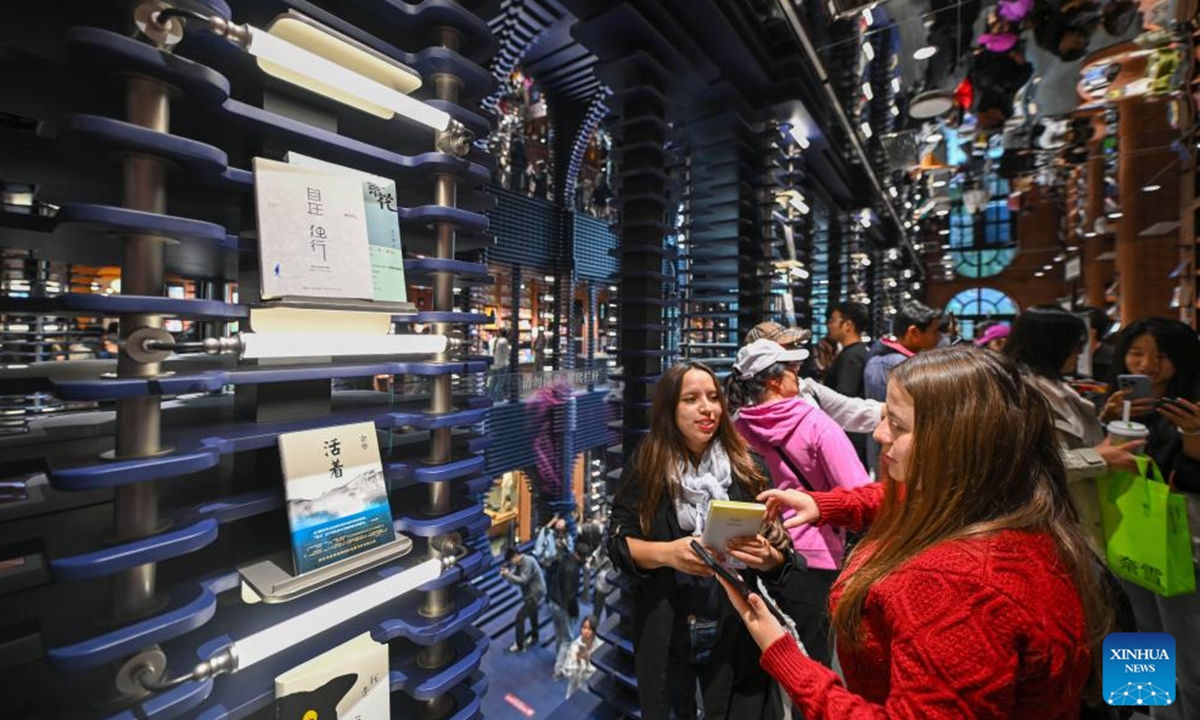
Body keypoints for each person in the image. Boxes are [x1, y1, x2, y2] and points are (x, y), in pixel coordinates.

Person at [720, 346, 1116, 719]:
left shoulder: (951, 585)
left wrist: (784, 656)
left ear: (953, 442)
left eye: (897, 423)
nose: (878, 435)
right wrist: (828, 504)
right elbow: (913, 493)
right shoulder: (1007, 504)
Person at [607, 360, 808, 720]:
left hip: (736, 627)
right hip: (668, 629)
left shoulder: (747, 466)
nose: (707, 408)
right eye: (691, 399)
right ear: (669, 409)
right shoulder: (648, 465)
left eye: (713, 397)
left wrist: (768, 557)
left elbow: (784, 557)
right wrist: (668, 554)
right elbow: (618, 544)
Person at [725, 339, 873, 664]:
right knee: (812, 661)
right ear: (774, 381)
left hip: (756, 554)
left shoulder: (736, 429)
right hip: (816, 558)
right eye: (792, 369)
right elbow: (858, 492)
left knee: (766, 662)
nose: (799, 375)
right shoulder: (815, 423)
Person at [1099, 317, 1200, 720]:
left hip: (1183, 546)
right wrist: (1106, 418)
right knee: (1138, 636)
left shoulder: (1192, 405)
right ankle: (1146, 713)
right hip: (1128, 535)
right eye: (1137, 353)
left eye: (1161, 356)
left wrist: (1194, 436)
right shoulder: (1120, 403)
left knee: (1189, 655)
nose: (1147, 365)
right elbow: (1106, 462)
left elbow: (1190, 480)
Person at [1004, 306, 1141, 552]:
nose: (1080, 351)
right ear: (1051, 345)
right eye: (1075, 343)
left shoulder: (1054, 384)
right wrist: (1096, 457)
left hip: (1083, 516)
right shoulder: (1016, 392)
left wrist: (1104, 417)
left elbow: (1070, 437)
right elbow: (1021, 465)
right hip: (1052, 523)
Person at [746, 320, 883, 436]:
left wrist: (894, 409)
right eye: (787, 346)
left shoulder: (806, 388)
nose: (794, 350)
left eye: (795, 344)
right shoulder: (744, 406)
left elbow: (851, 410)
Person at [863, 302, 942, 469]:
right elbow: (890, 416)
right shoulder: (892, 364)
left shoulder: (892, 360)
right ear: (913, 332)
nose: (939, 338)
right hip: (895, 454)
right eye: (934, 331)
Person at [823, 302, 871, 465]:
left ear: (848, 325)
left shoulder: (851, 356)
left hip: (849, 437)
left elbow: (842, 398)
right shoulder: (857, 352)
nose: (829, 325)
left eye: (832, 320)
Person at [501, 545, 546, 653]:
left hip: (535, 594)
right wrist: (506, 575)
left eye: (511, 560)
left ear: (516, 556)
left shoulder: (527, 562)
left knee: (519, 618)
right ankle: (535, 636)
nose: (511, 563)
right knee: (533, 614)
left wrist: (508, 575)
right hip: (530, 594)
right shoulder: (519, 564)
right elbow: (514, 577)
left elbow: (523, 580)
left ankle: (520, 645)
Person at [563, 615, 603, 698]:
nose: (585, 631)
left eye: (589, 629)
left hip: (592, 692)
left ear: (595, 631)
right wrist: (577, 661)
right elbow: (568, 674)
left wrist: (588, 660)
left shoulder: (601, 646)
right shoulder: (575, 646)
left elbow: (597, 675)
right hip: (575, 690)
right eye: (584, 627)